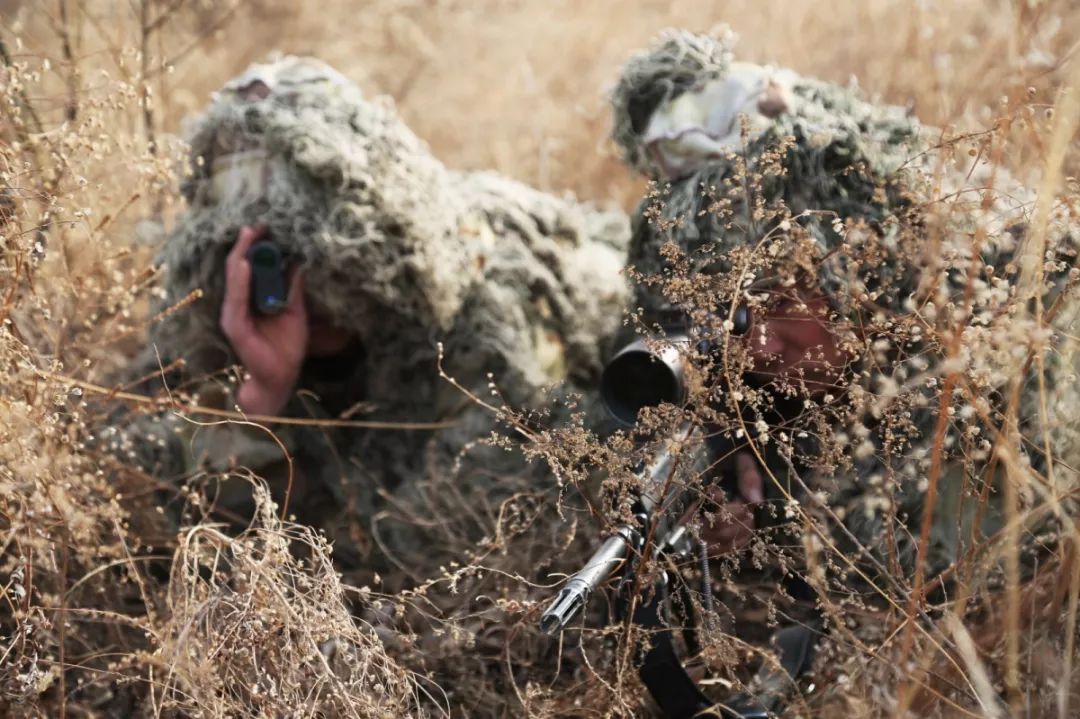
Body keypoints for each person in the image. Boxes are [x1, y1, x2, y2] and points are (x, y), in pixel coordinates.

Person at [606, 27, 1080, 712]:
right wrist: (731, 471)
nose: (759, 345)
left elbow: (932, 590)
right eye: (728, 320)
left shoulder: (977, 336)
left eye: (772, 300)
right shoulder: (785, 340)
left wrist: (800, 532)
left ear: (858, 268)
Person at [114, 55, 631, 576]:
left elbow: (434, 551)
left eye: (325, 248)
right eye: (269, 255)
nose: (303, 284)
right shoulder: (215, 316)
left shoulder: (479, 315)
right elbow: (167, 513)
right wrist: (258, 401)